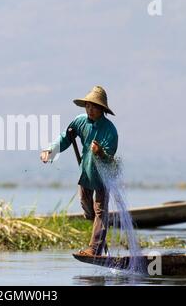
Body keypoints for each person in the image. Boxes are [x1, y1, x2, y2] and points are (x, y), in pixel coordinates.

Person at [40, 86, 118, 257]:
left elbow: (109, 157)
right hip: (86, 172)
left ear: (102, 109)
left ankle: (95, 248)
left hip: (103, 177)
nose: (90, 109)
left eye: (94, 106)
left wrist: (100, 152)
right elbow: (66, 137)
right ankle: (98, 233)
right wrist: (50, 150)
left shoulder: (110, 130)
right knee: (85, 203)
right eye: (88, 106)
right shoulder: (80, 121)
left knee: (100, 211)